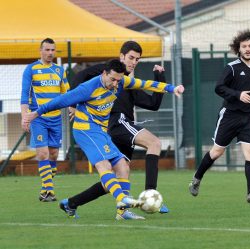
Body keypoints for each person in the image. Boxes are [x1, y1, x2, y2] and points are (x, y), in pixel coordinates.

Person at [23, 59, 184, 220]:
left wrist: (171, 88)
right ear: (104, 74)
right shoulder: (89, 88)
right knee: (104, 166)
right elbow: (60, 101)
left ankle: (118, 212)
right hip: (85, 130)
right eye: (112, 79)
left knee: (122, 167)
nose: (115, 84)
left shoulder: (121, 81)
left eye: (118, 80)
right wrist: (35, 114)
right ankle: (122, 199)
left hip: (101, 131)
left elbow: (145, 84)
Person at [59, 41, 169, 220]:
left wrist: (159, 78)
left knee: (118, 175)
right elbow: (79, 77)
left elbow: (153, 104)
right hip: (116, 122)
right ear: (121, 56)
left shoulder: (128, 83)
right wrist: (72, 105)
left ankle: (71, 203)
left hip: (117, 128)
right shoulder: (106, 70)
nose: (133, 62)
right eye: (131, 57)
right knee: (154, 143)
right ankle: (151, 194)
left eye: (137, 59)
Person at [188, 29, 250, 203]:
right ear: (238, 49)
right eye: (244, 46)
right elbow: (219, 88)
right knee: (217, 151)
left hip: (247, 118)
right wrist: (238, 94)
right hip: (230, 116)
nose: (247, 49)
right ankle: (197, 178)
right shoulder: (232, 68)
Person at [20, 38, 70, 202]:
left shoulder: (59, 70)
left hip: (55, 118)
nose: (50, 53)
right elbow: (24, 95)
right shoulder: (31, 69)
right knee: (43, 154)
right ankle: (50, 191)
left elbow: (67, 93)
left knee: (54, 155)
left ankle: (44, 189)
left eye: (52, 50)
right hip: (38, 118)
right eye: (47, 50)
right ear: (40, 51)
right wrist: (24, 117)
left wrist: (72, 107)